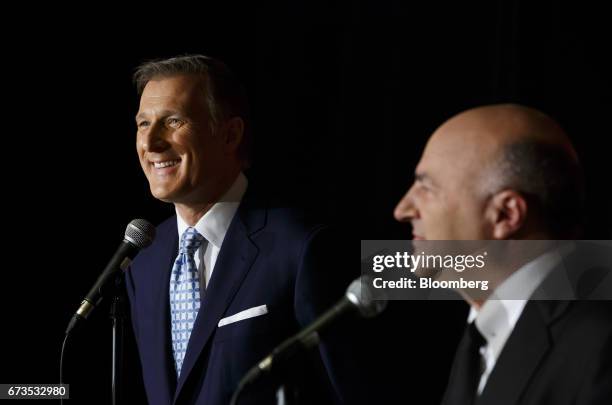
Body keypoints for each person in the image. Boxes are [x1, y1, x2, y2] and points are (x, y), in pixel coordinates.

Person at [125, 55, 351, 405]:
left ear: (229, 135)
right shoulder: (143, 261)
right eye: (143, 124)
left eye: (173, 121)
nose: (151, 143)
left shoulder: (301, 247)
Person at [393, 104, 612, 405]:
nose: (402, 210)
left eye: (427, 188)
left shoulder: (599, 343)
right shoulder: (485, 333)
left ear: (505, 215)